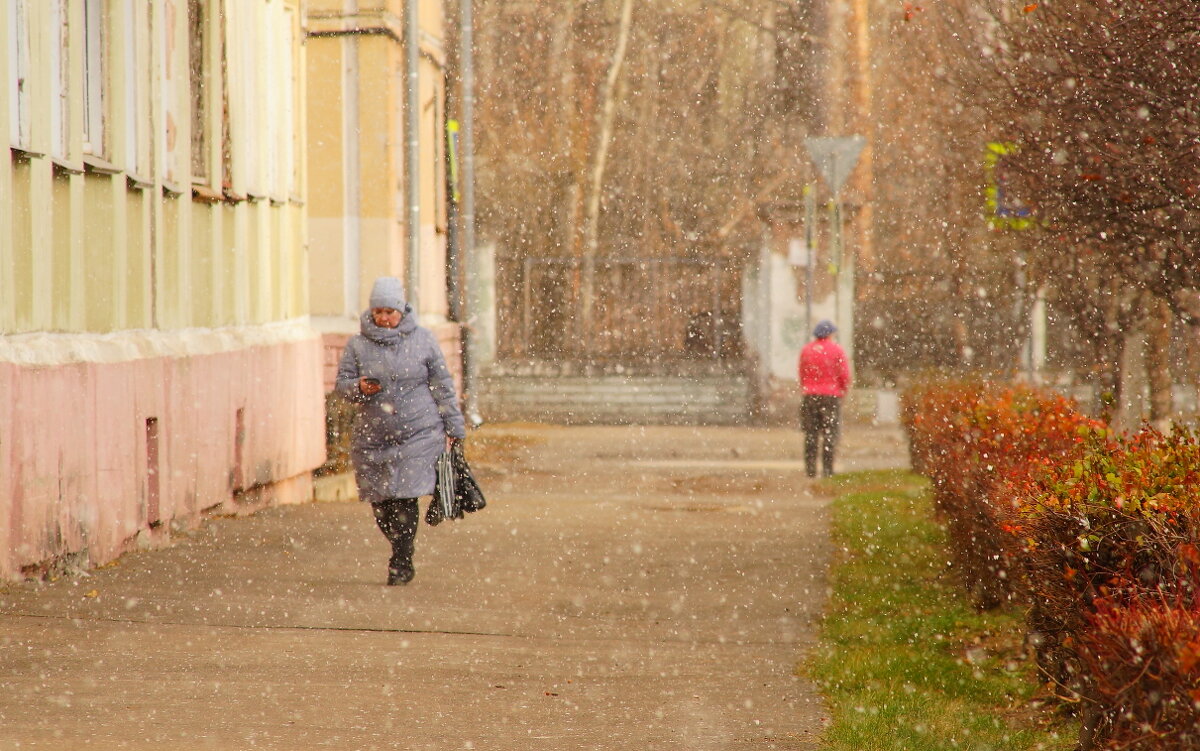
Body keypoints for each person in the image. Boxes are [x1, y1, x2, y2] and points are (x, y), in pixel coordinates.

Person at [335, 277, 467, 585]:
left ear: (402, 311)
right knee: (381, 502)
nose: (383, 318)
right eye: (378, 311)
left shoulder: (423, 340)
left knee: (405, 497)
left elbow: (442, 385)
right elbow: (342, 386)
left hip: (419, 432)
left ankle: (402, 558)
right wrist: (359, 387)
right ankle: (399, 545)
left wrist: (454, 426)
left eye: (389, 312)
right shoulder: (358, 345)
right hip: (374, 435)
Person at [798, 319, 851, 478]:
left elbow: (802, 373)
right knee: (830, 434)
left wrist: (807, 388)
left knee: (811, 434)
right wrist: (843, 390)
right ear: (830, 334)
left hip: (810, 396)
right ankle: (827, 470)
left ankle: (810, 470)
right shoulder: (837, 350)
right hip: (831, 396)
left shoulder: (806, 350)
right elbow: (844, 375)